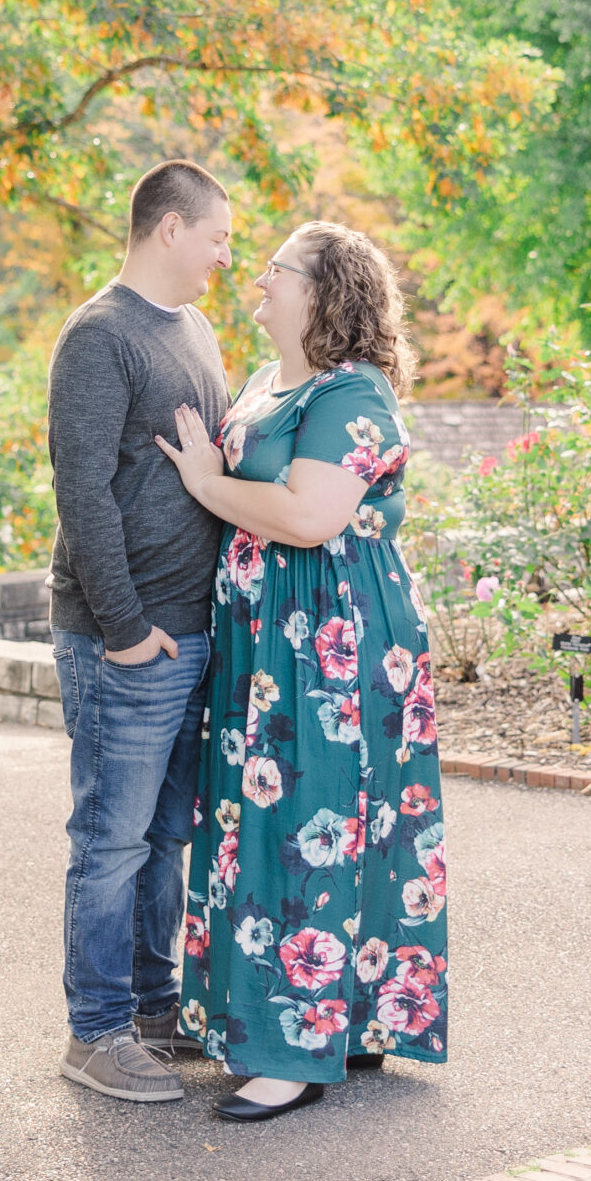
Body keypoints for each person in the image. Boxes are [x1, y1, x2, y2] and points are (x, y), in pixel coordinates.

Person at [154, 220, 449, 1123]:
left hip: (333, 640)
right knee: (263, 817)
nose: (258, 279)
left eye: (276, 269)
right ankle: (334, 1024)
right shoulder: (265, 383)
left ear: (321, 292)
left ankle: (295, 1051)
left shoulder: (353, 395)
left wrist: (208, 484)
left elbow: (313, 514)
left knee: (310, 822)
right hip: (266, 644)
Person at [47, 159, 234, 1103]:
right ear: (171, 229)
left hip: (192, 635)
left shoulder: (195, 329)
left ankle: (156, 1010)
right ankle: (96, 1032)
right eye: (217, 238)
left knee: (167, 837)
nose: (224, 256)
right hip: (127, 640)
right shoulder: (100, 336)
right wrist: (123, 630)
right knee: (111, 840)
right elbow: (82, 494)